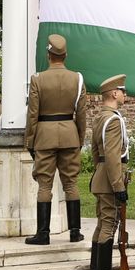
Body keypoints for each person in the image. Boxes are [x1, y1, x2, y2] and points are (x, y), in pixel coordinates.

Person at [24, 33, 87, 245]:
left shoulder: (38, 79)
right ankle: (75, 231)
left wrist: (30, 141)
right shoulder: (77, 79)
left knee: (44, 185)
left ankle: (43, 234)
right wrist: (78, 139)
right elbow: (82, 113)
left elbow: (32, 114)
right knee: (71, 183)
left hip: (44, 135)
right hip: (69, 134)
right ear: (65, 55)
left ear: (48, 54)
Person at [89, 74, 130, 270]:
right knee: (109, 223)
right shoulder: (113, 120)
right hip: (110, 178)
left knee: (102, 223)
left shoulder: (100, 117)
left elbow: (96, 152)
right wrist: (118, 185)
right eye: (122, 91)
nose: (125, 94)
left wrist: (100, 171)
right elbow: (113, 155)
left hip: (101, 175)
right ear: (114, 93)